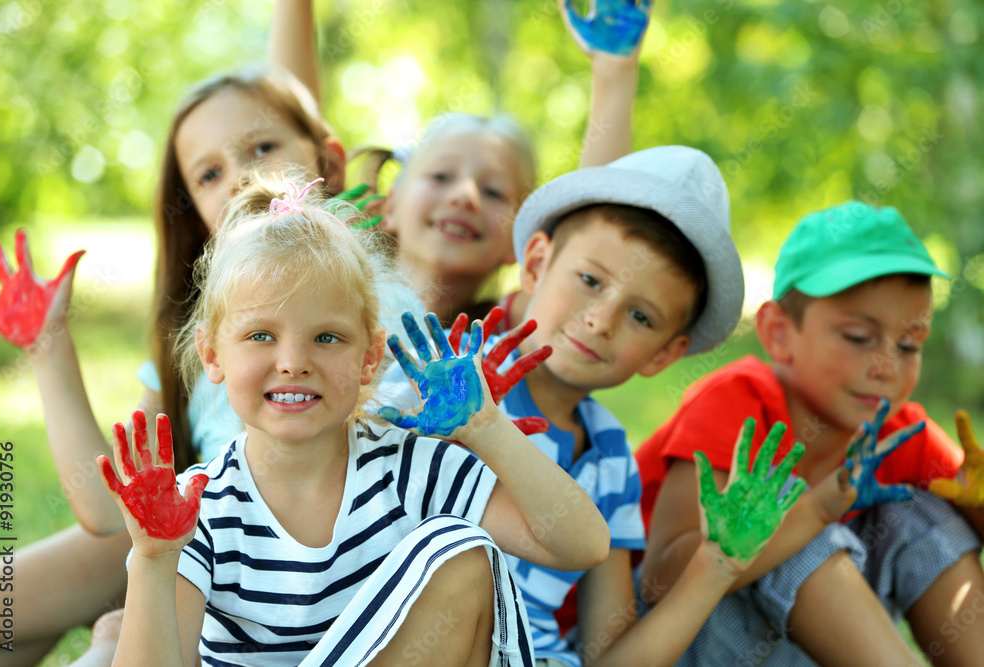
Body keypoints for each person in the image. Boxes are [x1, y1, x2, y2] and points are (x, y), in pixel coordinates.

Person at [97, 174, 609, 666]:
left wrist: (486, 429)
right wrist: (154, 560)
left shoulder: (412, 471)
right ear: (212, 355)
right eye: (260, 336)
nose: (293, 361)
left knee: (459, 549)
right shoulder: (199, 511)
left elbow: (583, 545)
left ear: (369, 358)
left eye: (327, 337)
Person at [0, 2, 345, 664]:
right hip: (187, 537)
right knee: (1, 620)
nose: (241, 176)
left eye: (263, 148)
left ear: (329, 159)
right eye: (208, 174)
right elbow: (103, 504)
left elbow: (299, 108)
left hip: (271, 578)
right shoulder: (194, 339)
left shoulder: (362, 293)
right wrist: (48, 347)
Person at [381, 144, 821, 666]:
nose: (601, 319)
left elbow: (611, 657)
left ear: (666, 353)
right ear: (538, 263)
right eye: (590, 281)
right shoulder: (451, 379)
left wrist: (717, 565)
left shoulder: (612, 463)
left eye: (642, 316)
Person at [637, 200, 984, 665]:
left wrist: (979, 506)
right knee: (778, 514)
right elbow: (659, 582)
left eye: (908, 345)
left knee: (918, 514)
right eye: (859, 338)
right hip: (676, 642)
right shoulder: (737, 404)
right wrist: (812, 512)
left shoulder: (896, 432)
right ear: (779, 332)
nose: (885, 366)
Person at [356, 0, 654, 329]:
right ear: (391, 204)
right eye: (441, 176)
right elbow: (291, 113)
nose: (464, 196)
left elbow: (595, 237)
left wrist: (614, 74)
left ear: (521, 241)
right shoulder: (329, 286)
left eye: (494, 192)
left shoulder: (509, 332)